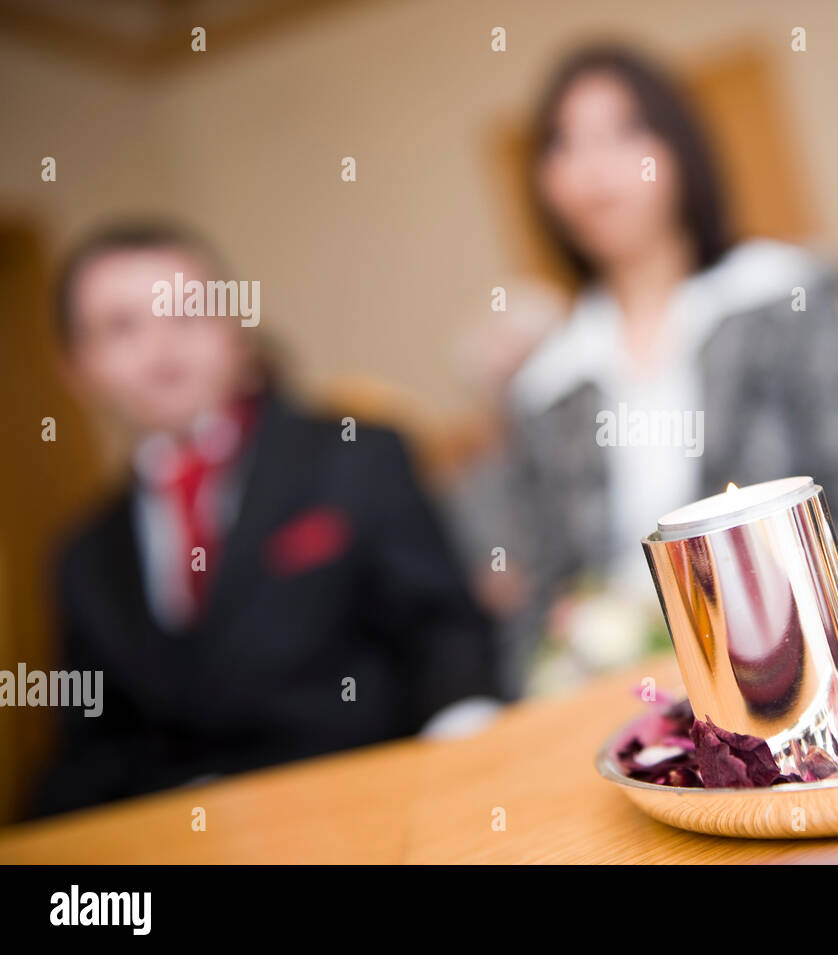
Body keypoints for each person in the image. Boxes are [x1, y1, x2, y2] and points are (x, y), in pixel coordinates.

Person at [34, 224, 496, 816]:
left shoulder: (355, 459)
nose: (162, 348)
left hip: (385, 810)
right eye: (123, 327)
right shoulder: (82, 557)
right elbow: (93, 743)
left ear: (234, 329)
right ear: (77, 367)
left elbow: (443, 632)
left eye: (187, 314)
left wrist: (466, 756)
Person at [488, 46, 838, 695]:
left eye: (623, 134)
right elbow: (539, 592)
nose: (594, 170)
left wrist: (801, 654)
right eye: (565, 145)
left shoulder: (783, 295)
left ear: (679, 148)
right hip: (615, 699)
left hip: (802, 670)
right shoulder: (547, 382)